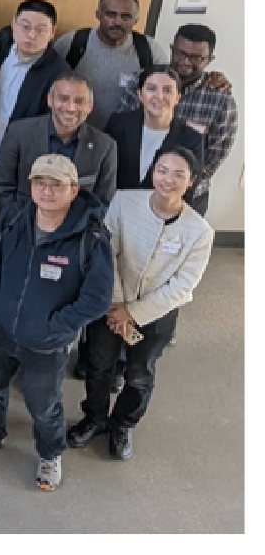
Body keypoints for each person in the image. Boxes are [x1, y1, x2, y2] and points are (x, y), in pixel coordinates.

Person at [0, 154, 113, 493]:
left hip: (47, 343)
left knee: (43, 405)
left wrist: (54, 325)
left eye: (56, 184)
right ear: (31, 185)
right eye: (40, 182)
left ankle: (50, 454)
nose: (47, 190)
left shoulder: (91, 236)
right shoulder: (13, 217)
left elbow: (97, 299)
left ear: (73, 190)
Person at [67, 148, 211, 461]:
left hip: (155, 313)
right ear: (152, 170)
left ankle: (123, 424)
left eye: (178, 174)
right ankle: (94, 418)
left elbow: (183, 286)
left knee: (139, 373)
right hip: (110, 302)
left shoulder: (199, 231)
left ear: (193, 181)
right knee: (98, 364)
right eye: (162, 170)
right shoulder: (124, 200)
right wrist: (118, 303)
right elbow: (108, 252)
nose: (168, 179)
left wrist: (133, 313)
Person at [0, 0, 66, 221]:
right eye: (25, 26)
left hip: (17, 166)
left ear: (52, 32)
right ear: (13, 24)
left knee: (4, 221)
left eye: (40, 29)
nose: (31, 35)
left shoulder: (57, 73)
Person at [0, 75, 118, 213]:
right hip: (20, 223)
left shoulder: (105, 146)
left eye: (79, 101)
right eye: (63, 99)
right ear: (50, 100)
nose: (70, 108)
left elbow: (103, 202)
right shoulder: (19, 133)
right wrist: (21, 225)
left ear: (90, 107)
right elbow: (1, 187)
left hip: (77, 230)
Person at [51, 0, 154, 125]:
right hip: (74, 133)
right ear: (98, 14)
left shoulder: (150, 51)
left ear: (136, 20)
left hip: (125, 137)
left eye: (125, 17)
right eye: (111, 15)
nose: (117, 22)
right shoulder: (71, 43)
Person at [165, 23, 237, 213]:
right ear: (171, 49)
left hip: (190, 195)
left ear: (210, 59)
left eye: (196, 58)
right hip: (139, 187)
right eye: (180, 53)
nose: (185, 62)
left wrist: (177, 184)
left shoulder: (220, 101)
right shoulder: (151, 83)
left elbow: (214, 157)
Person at [104, 68, 204, 192]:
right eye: (152, 88)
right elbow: (104, 175)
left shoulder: (192, 139)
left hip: (161, 209)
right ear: (140, 94)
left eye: (167, 90)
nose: (159, 96)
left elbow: (188, 188)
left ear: (178, 98)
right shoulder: (118, 124)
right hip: (117, 206)